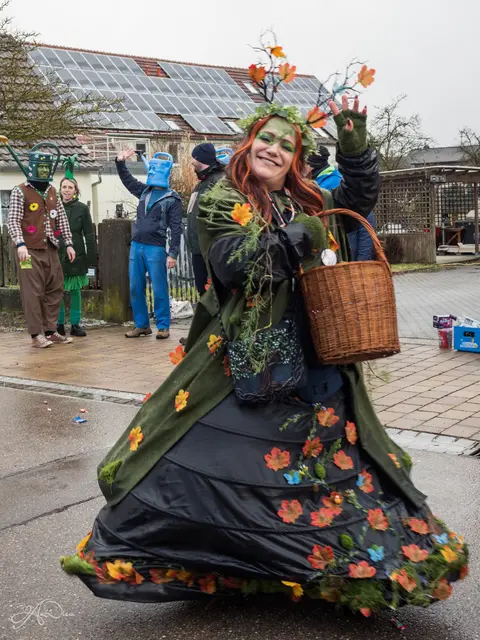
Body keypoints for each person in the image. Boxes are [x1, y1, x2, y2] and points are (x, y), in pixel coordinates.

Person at [62, 97, 467, 616]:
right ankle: (220, 561)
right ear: (249, 143)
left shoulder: (307, 198)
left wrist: (355, 147)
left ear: (296, 158)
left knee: (325, 465)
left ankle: (339, 568)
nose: (273, 149)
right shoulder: (220, 197)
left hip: (317, 357)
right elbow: (232, 265)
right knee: (213, 461)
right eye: (266, 139)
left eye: (286, 145)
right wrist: (297, 238)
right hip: (250, 357)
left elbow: (357, 199)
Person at [6, 142, 76, 348]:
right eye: (41, 167)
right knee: (32, 292)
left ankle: (50, 331)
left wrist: (69, 243)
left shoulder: (53, 191)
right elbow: (13, 220)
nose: (44, 171)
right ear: (33, 167)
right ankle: (36, 334)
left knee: (55, 288)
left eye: (47, 167)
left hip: (50, 248)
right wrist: (20, 244)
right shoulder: (20, 191)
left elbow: (61, 219)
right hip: (28, 251)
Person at [115, 147, 183, 340]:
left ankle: (163, 326)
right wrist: (120, 162)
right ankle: (142, 325)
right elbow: (127, 180)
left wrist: (173, 253)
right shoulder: (144, 191)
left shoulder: (172, 199)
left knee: (159, 288)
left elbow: (176, 228)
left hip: (156, 248)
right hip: (137, 246)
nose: (153, 173)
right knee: (135, 287)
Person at [308, 144, 375, 260]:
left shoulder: (336, 183)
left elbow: (366, 217)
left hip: (346, 250)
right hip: (328, 253)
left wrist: (362, 258)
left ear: (312, 165)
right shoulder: (311, 183)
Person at [57, 174, 96, 338]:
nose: (67, 190)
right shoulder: (53, 207)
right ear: (60, 189)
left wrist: (91, 260)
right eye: (64, 187)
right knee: (57, 290)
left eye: (70, 187)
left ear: (75, 190)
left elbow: (89, 234)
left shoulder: (82, 208)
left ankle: (75, 324)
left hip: (76, 253)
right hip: (57, 253)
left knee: (75, 290)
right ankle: (58, 324)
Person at [187, 143, 227, 294]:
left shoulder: (218, 181)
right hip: (198, 249)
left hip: (210, 251)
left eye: (193, 158)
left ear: (201, 159)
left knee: (214, 293)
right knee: (202, 291)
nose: (191, 161)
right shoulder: (200, 185)